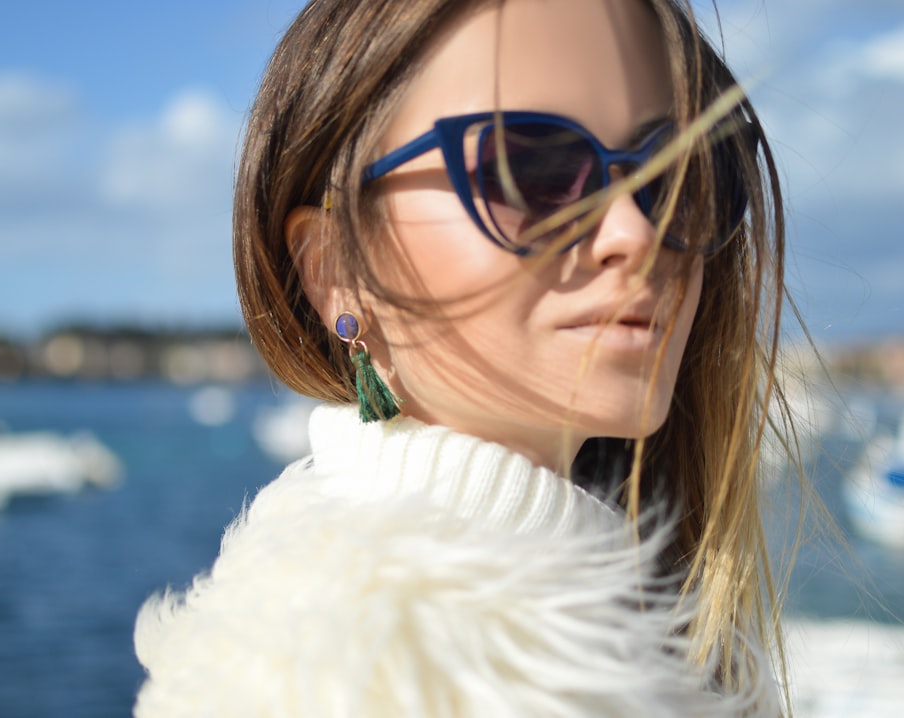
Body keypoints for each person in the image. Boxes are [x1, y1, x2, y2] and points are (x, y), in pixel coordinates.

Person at [134, 0, 803, 715]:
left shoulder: (640, 640)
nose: (637, 233)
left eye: (680, 176)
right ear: (334, 270)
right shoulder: (335, 681)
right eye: (532, 170)